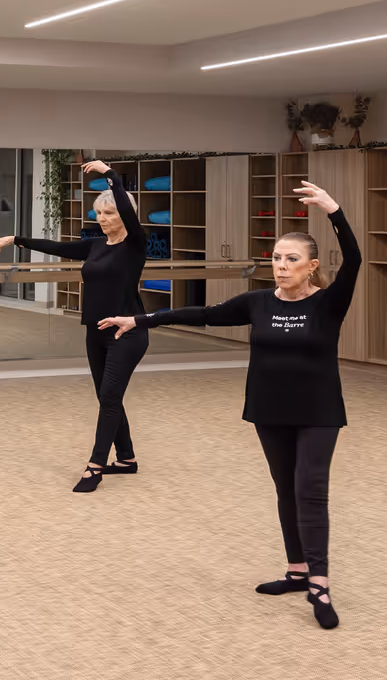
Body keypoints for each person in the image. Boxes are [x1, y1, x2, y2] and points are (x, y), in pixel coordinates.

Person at [100, 181, 358, 631]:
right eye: (276, 258)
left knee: (310, 491)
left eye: (291, 259)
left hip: (318, 411)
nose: (281, 267)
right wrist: (139, 318)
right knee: (284, 489)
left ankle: (320, 582)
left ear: (312, 266)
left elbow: (354, 260)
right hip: (268, 408)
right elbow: (198, 313)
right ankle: (296, 571)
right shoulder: (258, 303)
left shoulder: (328, 304)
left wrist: (334, 211)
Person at [0, 160, 146, 494]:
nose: (102, 220)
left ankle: (95, 466)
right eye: (99, 214)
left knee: (109, 398)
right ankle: (127, 458)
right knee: (108, 397)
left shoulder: (136, 245)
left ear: (124, 216)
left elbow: (125, 209)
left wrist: (109, 175)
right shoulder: (96, 245)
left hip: (127, 332)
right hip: (95, 332)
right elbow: (57, 248)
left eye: (110, 214)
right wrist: (16, 239)